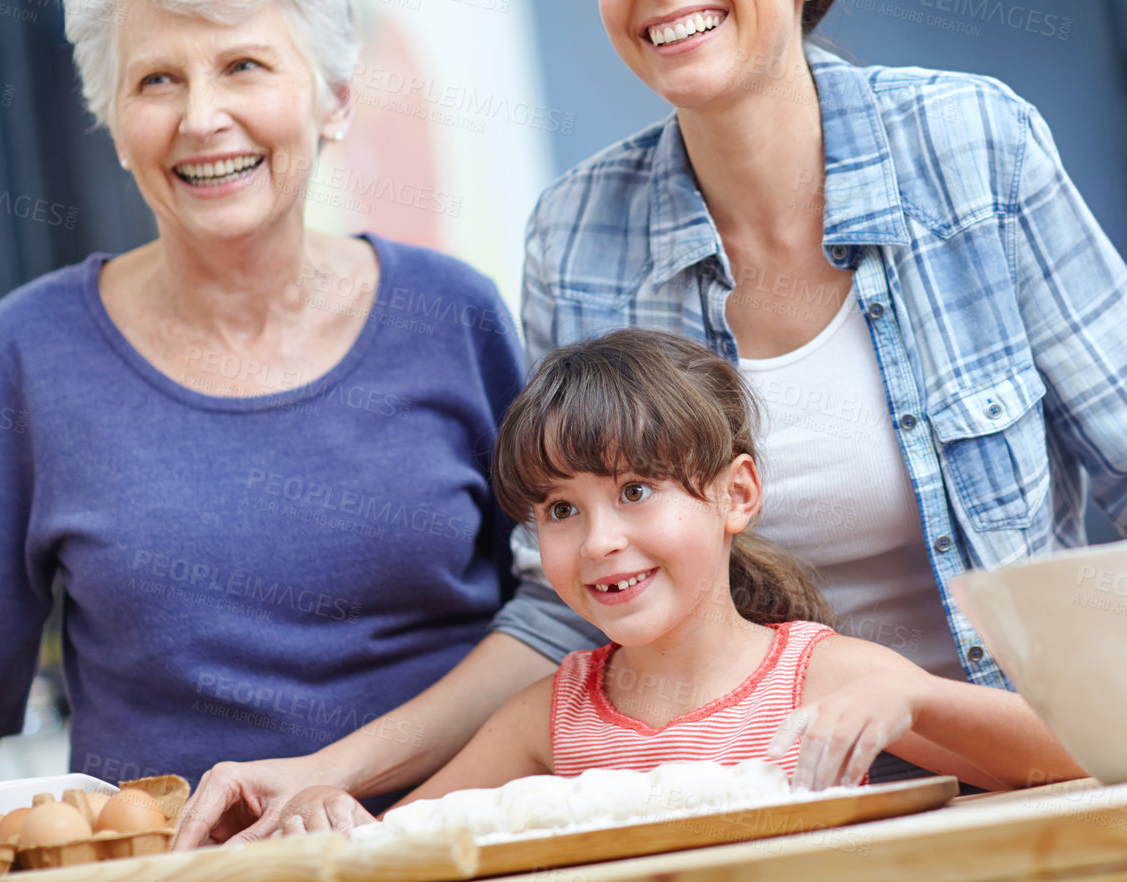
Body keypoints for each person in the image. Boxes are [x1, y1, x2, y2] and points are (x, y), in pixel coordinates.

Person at [177, 0, 1127, 842]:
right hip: (768, 803)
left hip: (1034, 763)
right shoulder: (579, 231)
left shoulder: (967, 144)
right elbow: (565, 596)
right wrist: (334, 772)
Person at [0, 0, 533, 796]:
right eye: (156, 81)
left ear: (334, 103)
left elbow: (561, 617)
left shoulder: (453, 318)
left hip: (454, 843)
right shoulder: (31, 351)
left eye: (243, 66)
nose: (202, 117)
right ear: (112, 117)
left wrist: (332, 784)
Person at [276, 329, 1083, 832]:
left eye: (635, 492)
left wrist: (919, 699)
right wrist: (335, 817)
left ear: (737, 495)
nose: (599, 542)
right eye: (560, 510)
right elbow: (406, 846)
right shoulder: (550, 719)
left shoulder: (820, 677)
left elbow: (1076, 763)